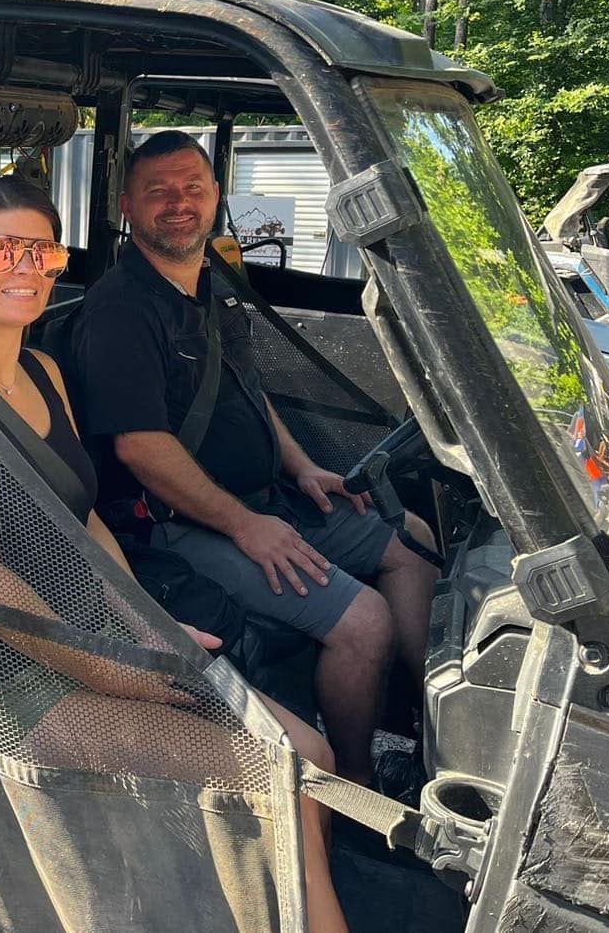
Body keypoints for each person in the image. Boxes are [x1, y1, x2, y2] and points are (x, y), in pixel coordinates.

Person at [0, 176, 347, 933]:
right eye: (1, 247)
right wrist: (121, 667)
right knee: (282, 773)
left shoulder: (43, 370)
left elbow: (84, 518)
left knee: (311, 751)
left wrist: (145, 623)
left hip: (89, 637)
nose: (26, 264)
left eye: (42, 248)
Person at [71, 130, 439, 785]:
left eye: (192, 188)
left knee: (412, 543)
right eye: (157, 192)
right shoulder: (120, 312)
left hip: (265, 499)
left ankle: (427, 734)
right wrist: (246, 526)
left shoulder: (213, 282)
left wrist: (303, 469)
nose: (177, 203)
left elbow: (248, 393)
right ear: (127, 205)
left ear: (215, 196)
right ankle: (357, 791)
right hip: (175, 529)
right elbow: (141, 447)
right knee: (363, 619)